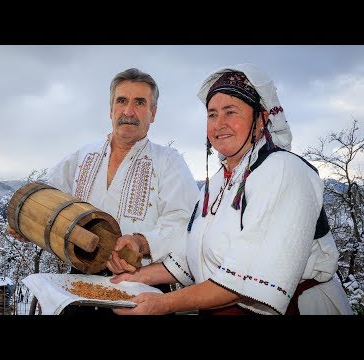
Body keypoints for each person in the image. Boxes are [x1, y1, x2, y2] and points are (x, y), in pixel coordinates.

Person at [110, 63, 353, 315]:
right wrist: (132, 279)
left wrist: (162, 303)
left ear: (261, 119)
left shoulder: (284, 171)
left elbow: (246, 280)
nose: (219, 124)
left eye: (231, 112)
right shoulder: (217, 184)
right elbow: (193, 257)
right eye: (212, 114)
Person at [8, 67, 200, 314]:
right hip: (80, 284)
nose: (128, 111)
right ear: (111, 109)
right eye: (122, 101)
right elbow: (47, 200)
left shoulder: (168, 161)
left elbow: (186, 224)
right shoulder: (82, 156)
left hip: (143, 291)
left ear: (153, 113)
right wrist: (27, 224)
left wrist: (141, 242)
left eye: (140, 103)